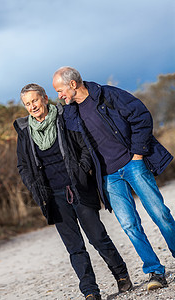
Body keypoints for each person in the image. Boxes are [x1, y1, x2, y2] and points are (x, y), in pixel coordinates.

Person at [53, 66, 175, 291]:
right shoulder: (71, 111)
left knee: (160, 214)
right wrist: (68, 107)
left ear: (72, 84)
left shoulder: (107, 94)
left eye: (60, 90)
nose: (59, 96)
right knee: (130, 225)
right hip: (109, 177)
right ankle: (155, 271)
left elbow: (141, 116)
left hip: (132, 163)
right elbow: (71, 132)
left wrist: (138, 154)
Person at [13, 83, 132, 300]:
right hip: (53, 197)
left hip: (78, 189)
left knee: (98, 237)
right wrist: (34, 187)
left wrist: (81, 170)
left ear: (45, 98)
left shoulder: (64, 118)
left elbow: (85, 146)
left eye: (35, 101)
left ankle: (122, 275)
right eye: (27, 104)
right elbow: (23, 166)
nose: (32, 106)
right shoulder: (25, 132)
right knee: (74, 248)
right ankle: (90, 291)